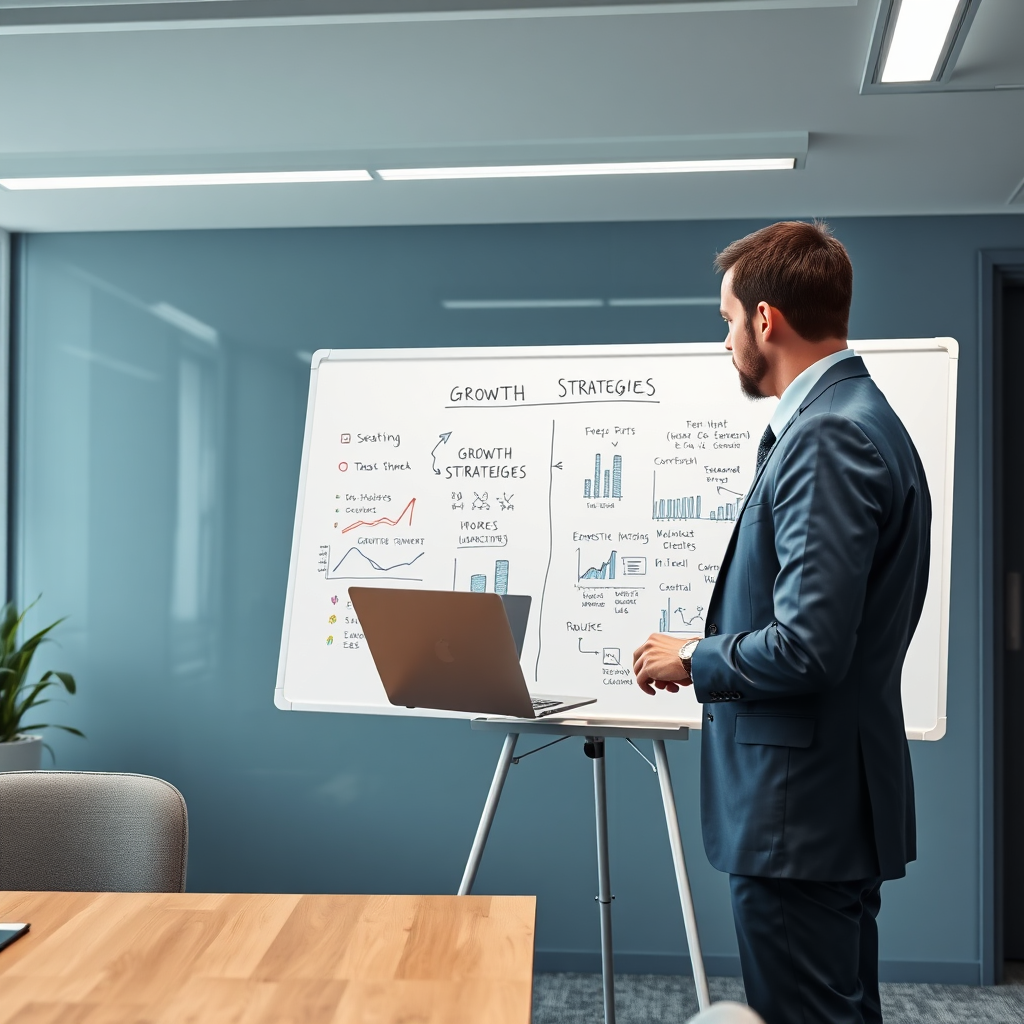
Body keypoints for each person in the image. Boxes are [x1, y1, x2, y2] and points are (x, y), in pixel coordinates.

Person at [632, 221, 931, 1024]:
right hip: (820, 803)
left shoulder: (831, 433)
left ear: (767, 320)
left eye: (728, 319)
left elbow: (808, 646)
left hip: (798, 811)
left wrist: (694, 656)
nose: (727, 339)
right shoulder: (849, 416)